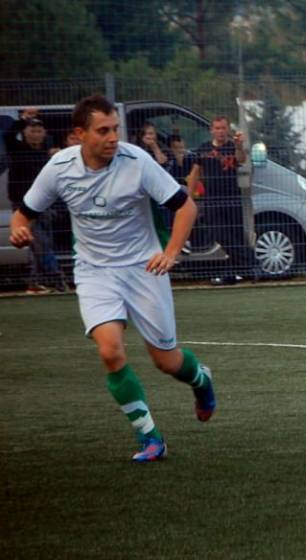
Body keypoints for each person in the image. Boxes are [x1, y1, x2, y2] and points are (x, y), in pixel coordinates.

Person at [9, 95, 217, 462]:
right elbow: (23, 214)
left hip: (143, 268)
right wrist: (19, 230)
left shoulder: (137, 162)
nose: (112, 137)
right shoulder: (59, 167)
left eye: (115, 129)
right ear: (79, 134)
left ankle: (200, 380)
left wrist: (169, 253)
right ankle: (150, 438)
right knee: (109, 351)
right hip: (94, 271)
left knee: (166, 362)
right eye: (103, 130)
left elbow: (186, 206)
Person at [4, 108, 65, 293]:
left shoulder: (48, 154)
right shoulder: (17, 149)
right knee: (41, 243)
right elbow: (7, 135)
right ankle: (57, 277)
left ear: (44, 133)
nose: (35, 134)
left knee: (37, 244)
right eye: (31, 131)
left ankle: (35, 282)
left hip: (44, 205)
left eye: (39, 131)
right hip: (23, 206)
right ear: (24, 132)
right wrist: (23, 120)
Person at [193, 116, 254, 285]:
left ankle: (232, 274)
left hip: (232, 199)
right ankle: (252, 263)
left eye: (223, 128)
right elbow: (195, 173)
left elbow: (241, 159)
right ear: (211, 130)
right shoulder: (203, 149)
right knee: (219, 233)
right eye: (217, 128)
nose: (220, 131)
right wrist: (189, 197)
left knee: (235, 236)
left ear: (227, 129)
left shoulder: (231, 148)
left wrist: (239, 145)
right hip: (212, 200)